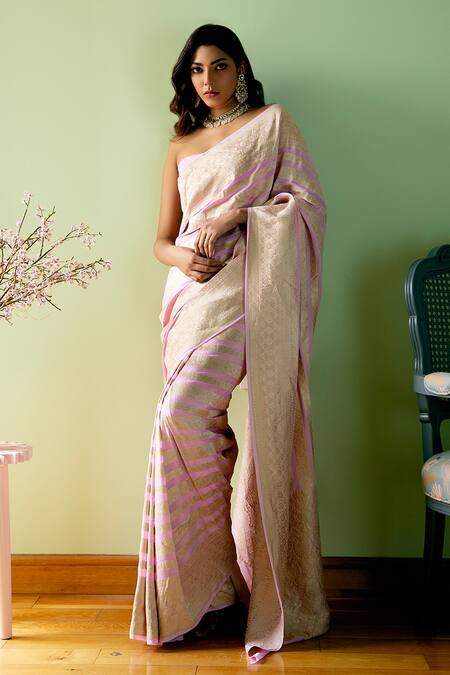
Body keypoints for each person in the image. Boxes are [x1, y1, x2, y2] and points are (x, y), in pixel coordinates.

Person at [129, 22, 330, 665]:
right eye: (196, 70)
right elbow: (161, 240)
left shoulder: (272, 124)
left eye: (219, 66)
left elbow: (307, 205)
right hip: (188, 297)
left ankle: (225, 587)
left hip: (248, 291)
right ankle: (210, 594)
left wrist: (238, 214)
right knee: (194, 430)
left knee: (178, 416)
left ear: (240, 68)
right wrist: (181, 258)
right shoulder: (180, 146)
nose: (207, 80)